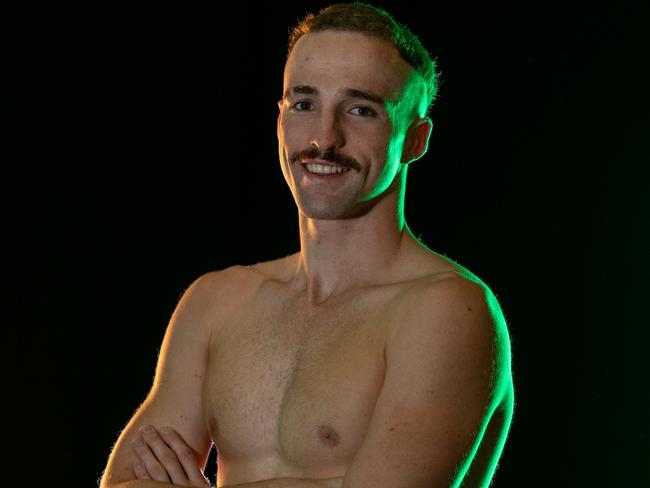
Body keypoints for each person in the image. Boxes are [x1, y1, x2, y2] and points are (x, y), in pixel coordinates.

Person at [100, 3, 515, 487]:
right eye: (304, 104)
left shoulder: (446, 311)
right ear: (280, 120)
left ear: (415, 139)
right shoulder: (215, 303)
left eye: (360, 110)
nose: (323, 138)